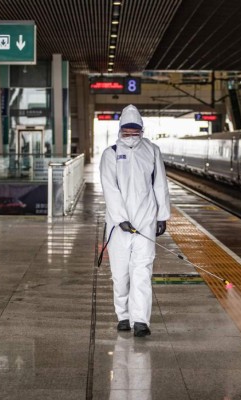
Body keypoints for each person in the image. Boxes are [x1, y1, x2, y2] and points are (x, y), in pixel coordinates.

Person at [99, 104, 170, 337]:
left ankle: (141, 320)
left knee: (142, 271)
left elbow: (160, 184)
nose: (131, 135)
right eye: (126, 131)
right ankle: (123, 315)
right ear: (120, 130)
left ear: (141, 129)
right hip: (119, 227)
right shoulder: (110, 154)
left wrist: (162, 216)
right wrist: (120, 218)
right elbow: (110, 188)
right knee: (120, 274)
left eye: (134, 130)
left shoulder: (152, 150)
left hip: (145, 222)